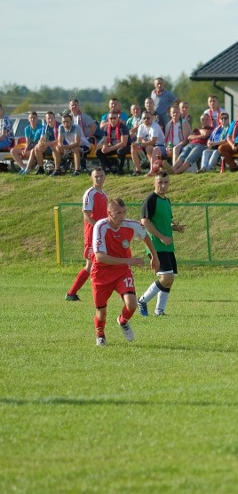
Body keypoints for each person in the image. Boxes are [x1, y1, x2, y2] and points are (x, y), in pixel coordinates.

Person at [90, 198, 159, 346]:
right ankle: (100, 333)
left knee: (132, 304)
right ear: (109, 213)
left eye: (124, 212)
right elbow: (100, 257)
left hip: (122, 272)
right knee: (101, 312)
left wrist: (155, 257)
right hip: (101, 273)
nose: (122, 216)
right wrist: (129, 261)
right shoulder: (100, 227)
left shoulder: (130, 225)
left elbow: (146, 236)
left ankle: (123, 321)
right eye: (118, 213)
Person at [137, 172, 185, 317]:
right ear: (154, 183)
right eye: (160, 182)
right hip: (157, 244)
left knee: (169, 280)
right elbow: (145, 222)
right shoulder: (150, 200)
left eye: (166, 182)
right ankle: (142, 300)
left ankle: (159, 311)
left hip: (167, 245)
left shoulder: (166, 201)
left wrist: (175, 227)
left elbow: (165, 221)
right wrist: (161, 237)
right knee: (166, 278)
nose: (163, 185)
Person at [66, 168, 108, 301]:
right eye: (96, 176)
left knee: (103, 264)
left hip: (102, 234)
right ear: (92, 177)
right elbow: (87, 216)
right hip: (92, 235)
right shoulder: (90, 194)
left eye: (101, 176)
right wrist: (98, 229)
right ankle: (71, 293)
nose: (99, 179)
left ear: (105, 177)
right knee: (91, 265)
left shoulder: (104, 194)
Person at [131, 110, 167, 177]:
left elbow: (153, 141)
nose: (146, 120)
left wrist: (141, 144)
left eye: (148, 118)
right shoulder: (141, 126)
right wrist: (136, 145)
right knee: (133, 147)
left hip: (160, 146)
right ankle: (138, 170)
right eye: (144, 118)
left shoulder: (155, 126)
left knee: (149, 147)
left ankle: (152, 170)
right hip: (149, 145)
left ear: (152, 118)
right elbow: (138, 141)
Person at [96, 107, 131, 174]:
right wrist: (104, 147)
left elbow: (124, 143)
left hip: (126, 146)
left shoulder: (122, 127)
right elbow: (105, 140)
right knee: (99, 152)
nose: (113, 120)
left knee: (120, 151)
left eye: (114, 118)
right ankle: (112, 167)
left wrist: (110, 149)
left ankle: (120, 169)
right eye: (111, 118)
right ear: (108, 119)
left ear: (118, 118)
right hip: (113, 146)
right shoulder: (107, 127)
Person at [53, 111, 88, 176]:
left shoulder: (76, 127)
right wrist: (60, 146)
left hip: (84, 146)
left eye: (67, 122)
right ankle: (57, 170)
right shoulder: (61, 127)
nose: (65, 124)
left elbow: (77, 143)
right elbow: (60, 141)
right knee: (56, 149)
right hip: (71, 146)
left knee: (76, 149)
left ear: (71, 121)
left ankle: (77, 170)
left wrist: (64, 147)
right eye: (63, 122)